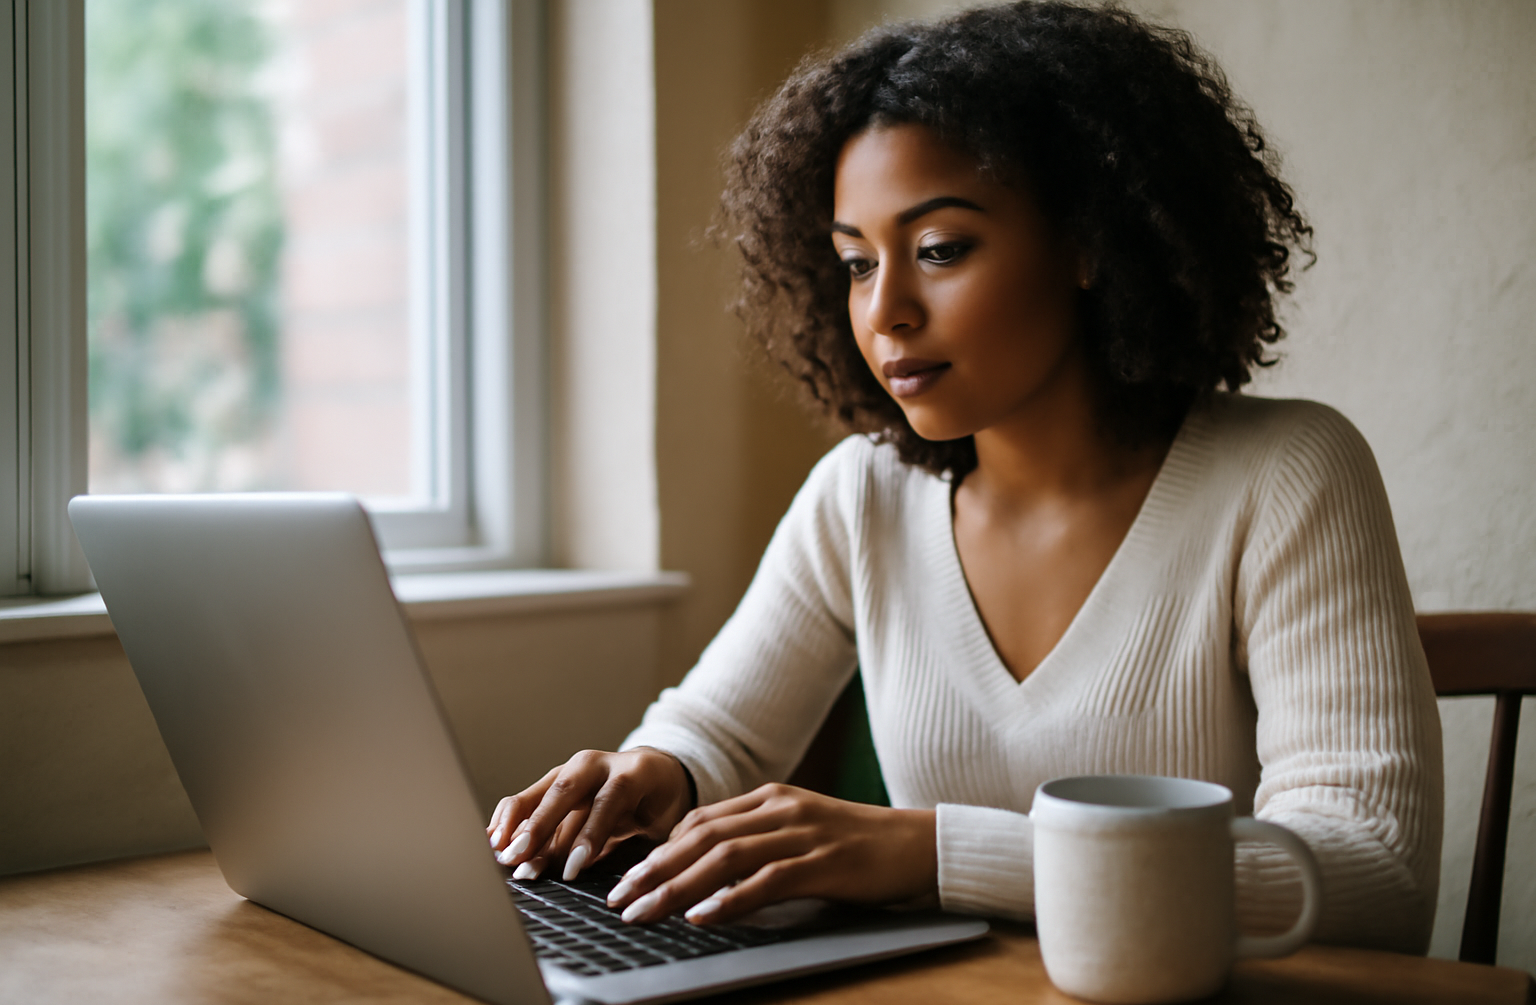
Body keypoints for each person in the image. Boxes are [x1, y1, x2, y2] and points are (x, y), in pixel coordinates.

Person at [487, 1, 1443, 953]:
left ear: (1088, 241)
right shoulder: (863, 494)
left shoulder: (1285, 476)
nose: (887, 311)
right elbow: (723, 735)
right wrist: (658, 769)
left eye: (939, 249)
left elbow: (1367, 871)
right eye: (857, 264)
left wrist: (930, 853)